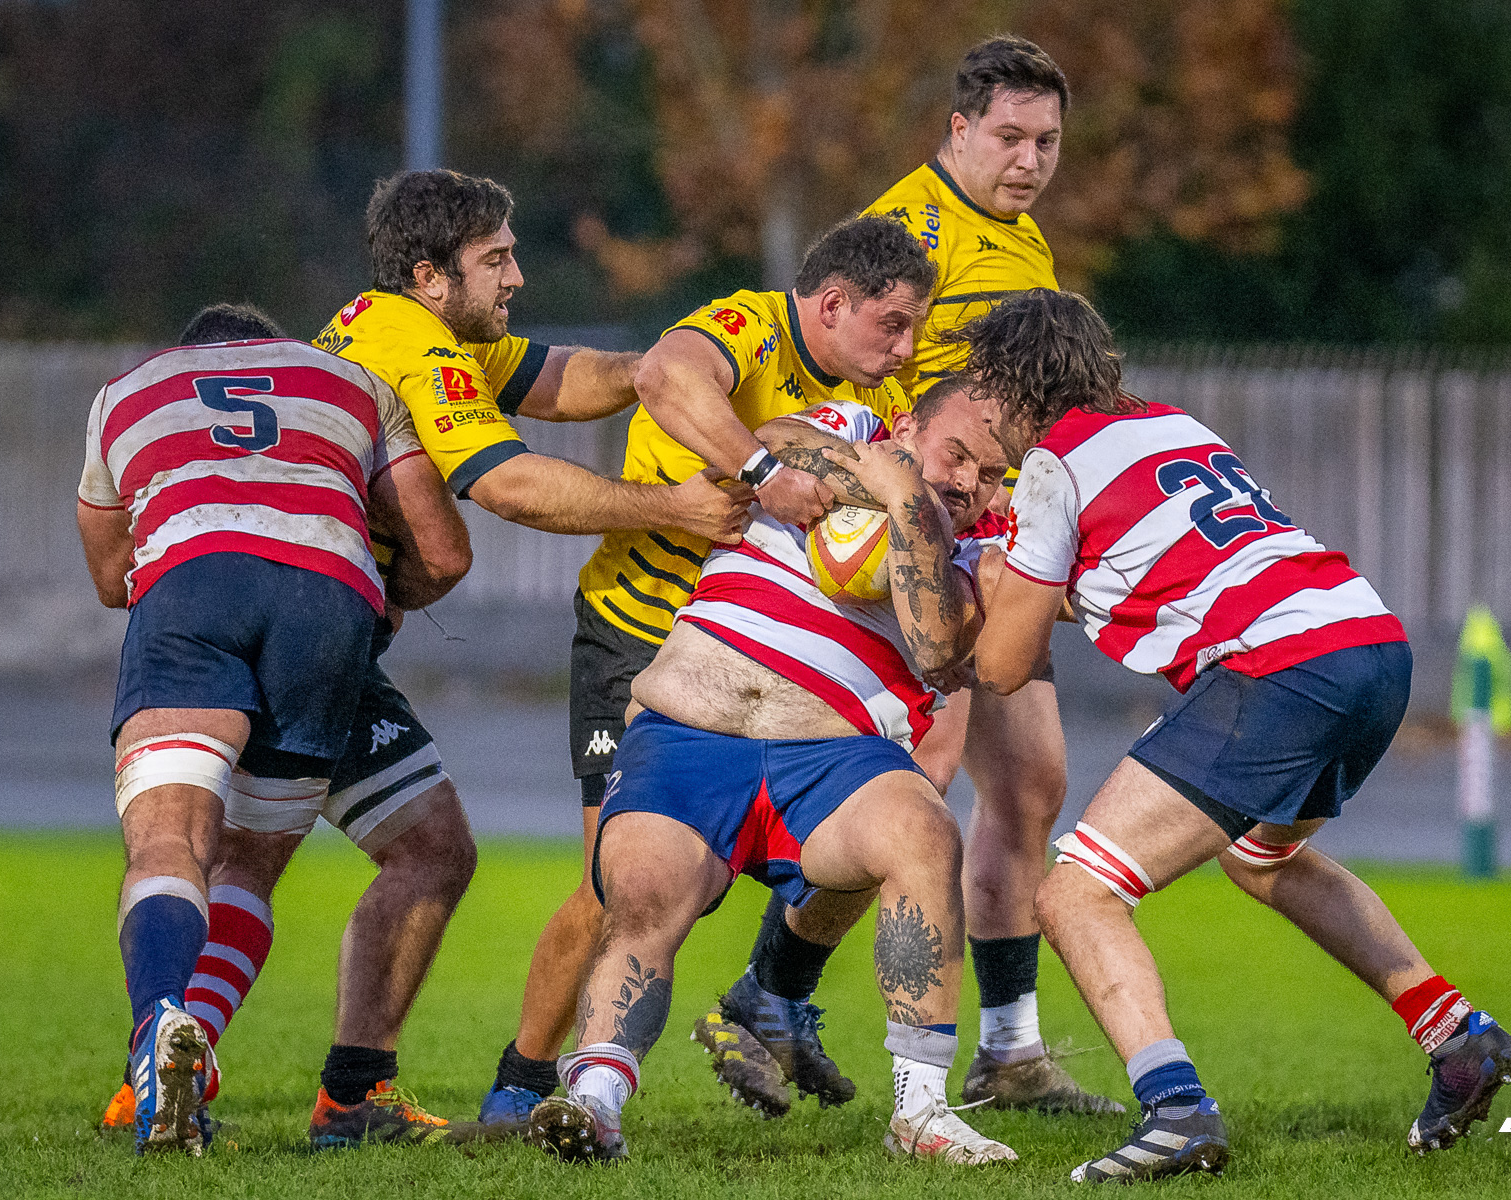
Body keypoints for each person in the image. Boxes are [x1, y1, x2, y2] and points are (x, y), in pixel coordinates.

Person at [99, 169, 748, 1146]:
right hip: (321, 621)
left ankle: (234, 1074)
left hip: (236, 608)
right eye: (498, 259)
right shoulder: (410, 350)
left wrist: (663, 365)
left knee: (400, 849)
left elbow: (554, 377)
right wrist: (676, 508)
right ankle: (297, 1087)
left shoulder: (382, 328)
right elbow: (504, 487)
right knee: (277, 857)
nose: (518, 277)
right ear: (430, 276)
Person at [962, 289, 1511, 1182]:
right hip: (1369, 643)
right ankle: (1458, 1036)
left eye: (982, 388)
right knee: (1263, 860)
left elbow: (1000, 666)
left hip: (1280, 669)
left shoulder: (1051, 464)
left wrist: (993, 580)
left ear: (1006, 384)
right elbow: (1156, 571)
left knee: (1075, 896)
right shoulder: (1167, 424)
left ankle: (1176, 1111)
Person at [720, 35, 1115, 1115]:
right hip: (921, 546)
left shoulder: (1023, 240)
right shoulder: (912, 231)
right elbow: (851, 364)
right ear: (958, 128)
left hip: (992, 536)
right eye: (1010, 137)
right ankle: (773, 992)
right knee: (915, 791)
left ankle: (1005, 1050)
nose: (1030, 160)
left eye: (1047, 142)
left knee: (1026, 787)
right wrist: (869, 498)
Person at [477, 216, 935, 1128]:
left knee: (899, 817)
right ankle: (520, 1088)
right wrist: (763, 470)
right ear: (831, 305)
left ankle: (774, 993)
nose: (906, 350)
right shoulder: (751, 325)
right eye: (892, 325)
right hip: (640, 637)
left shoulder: (879, 397)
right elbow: (663, 375)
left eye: (915, 329)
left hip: (766, 662)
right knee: (614, 886)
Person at [526, 385, 1016, 1164]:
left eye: (992, 474)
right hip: (689, 730)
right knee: (645, 891)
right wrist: (887, 480)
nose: (968, 482)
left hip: (834, 756)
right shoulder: (850, 425)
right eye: (957, 455)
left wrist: (912, 504)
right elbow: (775, 440)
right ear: (907, 426)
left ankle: (920, 1111)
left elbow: (939, 647)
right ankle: (595, 1101)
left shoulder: (985, 551)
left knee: (924, 830)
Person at [76, 303, 472, 1155]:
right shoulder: (354, 382)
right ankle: (200, 1061)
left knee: (171, 843)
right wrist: (377, 594)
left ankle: (161, 1035)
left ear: (192, 353)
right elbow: (444, 554)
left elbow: (112, 577)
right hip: (327, 601)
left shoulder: (127, 390)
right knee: (250, 865)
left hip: (194, 587)